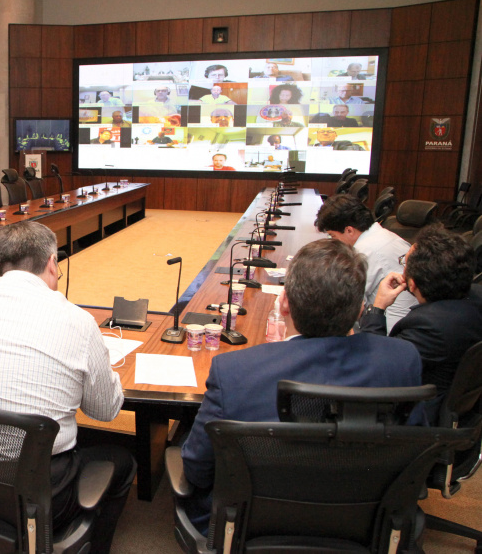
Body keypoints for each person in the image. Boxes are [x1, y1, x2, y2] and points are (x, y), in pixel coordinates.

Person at [181, 239, 422, 531]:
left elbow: (197, 468)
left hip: (251, 526)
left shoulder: (234, 371)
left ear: (283, 303)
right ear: (361, 309)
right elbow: (412, 446)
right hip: (364, 522)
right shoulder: (402, 359)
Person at [0, 221, 135, 554]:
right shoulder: (78, 321)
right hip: (38, 490)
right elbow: (105, 411)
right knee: (123, 460)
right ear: (52, 263)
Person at [359, 224, 482, 422]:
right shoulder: (476, 297)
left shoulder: (429, 327)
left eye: (404, 264)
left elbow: (377, 369)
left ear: (412, 283)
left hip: (417, 423)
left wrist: (377, 308)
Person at [315, 194, 418, 330]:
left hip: (387, 332)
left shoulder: (364, 251)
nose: (333, 241)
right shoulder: (387, 236)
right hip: (409, 323)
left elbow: (342, 304)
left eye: (333, 236)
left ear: (349, 230)